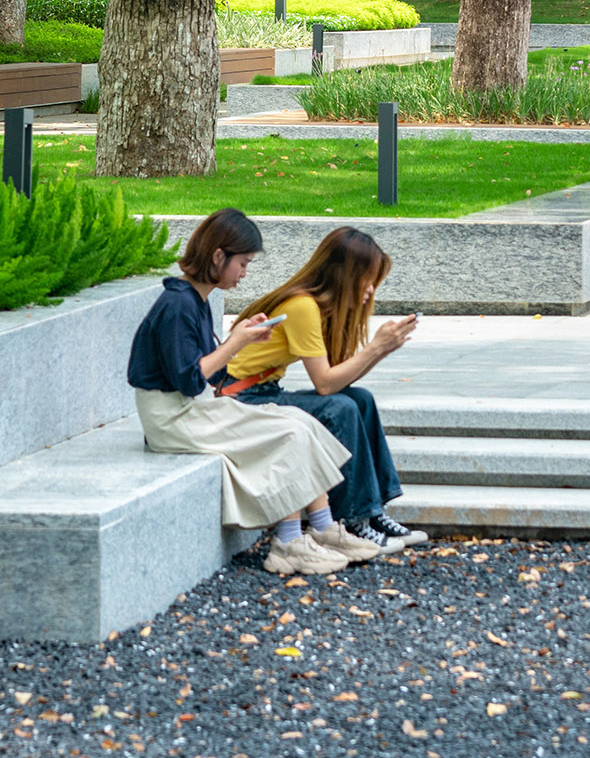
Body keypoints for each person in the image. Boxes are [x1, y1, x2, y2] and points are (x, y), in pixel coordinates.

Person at [129, 209, 379, 578]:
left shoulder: (192, 301)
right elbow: (188, 379)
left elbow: (199, 376)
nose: (244, 272)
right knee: (287, 432)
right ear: (218, 257)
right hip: (173, 419)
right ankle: (288, 543)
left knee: (298, 419)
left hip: (190, 409)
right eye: (242, 263)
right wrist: (236, 343)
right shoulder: (178, 305)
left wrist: (239, 338)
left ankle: (323, 527)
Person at [220, 226, 427, 559]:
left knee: (360, 399)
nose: (371, 289)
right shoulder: (303, 306)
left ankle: (373, 512)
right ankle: (353, 518)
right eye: (367, 279)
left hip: (262, 391)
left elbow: (338, 379)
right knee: (340, 408)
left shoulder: (320, 308)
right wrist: (376, 348)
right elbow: (326, 384)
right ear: (345, 275)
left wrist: (382, 349)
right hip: (242, 398)